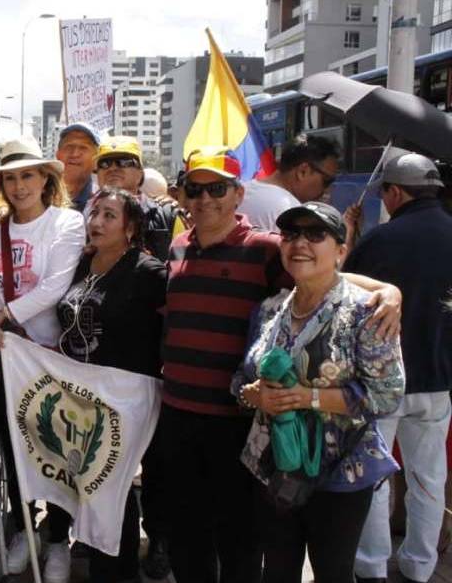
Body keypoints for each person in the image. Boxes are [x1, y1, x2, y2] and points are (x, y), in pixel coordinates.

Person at [159, 146, 401, 583]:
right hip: (185, 417)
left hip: (243, 429)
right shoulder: (178, 248)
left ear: (237, 195)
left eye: (217, 188)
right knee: (188, 533)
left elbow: (327, 276)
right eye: (195, 189)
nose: (204, 199)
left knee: (241, 543)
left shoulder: (267, 249)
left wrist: (387, 290)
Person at [234, 202, 404, 582]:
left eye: (315, 234)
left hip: (339, 471)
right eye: (291, 234)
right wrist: (253, 395)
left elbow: (386, 394)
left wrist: (306, 398)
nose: (300, 243)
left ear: (341, 251)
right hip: (272, 465)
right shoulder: (269, 310)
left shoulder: (367, 311)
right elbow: (241, 379)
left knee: (332, 572)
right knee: (277, 570)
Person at [0, 135, 85, 583]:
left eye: (27, 176)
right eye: (11, 178)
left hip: (52, 355)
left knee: (57, 450)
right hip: (6, 356)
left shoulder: (66, 223)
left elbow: (55, 285)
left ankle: (57, 538)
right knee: (14, 448)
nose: (19, 186)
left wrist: (3, 315)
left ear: (45, 179)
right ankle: (21, 526)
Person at [350, 153, 452, 583]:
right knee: (429, 479)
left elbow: (345, 295)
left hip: (382, 383)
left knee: (375, 479)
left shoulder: (381, 241)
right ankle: (419, 566)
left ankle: (371, 566)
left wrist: (351, 236)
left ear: (394, 192)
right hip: (439, 379)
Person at [56, 187, 166, 583]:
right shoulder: (81, 264)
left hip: (126, 399)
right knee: (93, 486)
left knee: (112, 489)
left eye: (109, 215)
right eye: (94, 213)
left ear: (131, 227)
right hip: (80, 399)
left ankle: (116, 574)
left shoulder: (147, 272)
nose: (97, 222)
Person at [94, 135, 181, 262]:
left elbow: (182, 267)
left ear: (140, 173)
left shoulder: (168, 215)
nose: (112, 168)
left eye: (123, 162)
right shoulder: (82, 216)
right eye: (104, 163)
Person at [240, 134, 341, 232]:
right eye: (327, 181)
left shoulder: (240, 192)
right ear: (303, 171)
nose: (328, 190)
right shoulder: (292, 213)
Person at [55, 123, 101, 214]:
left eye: (83, 148)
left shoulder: (101, 201)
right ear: (57, 154)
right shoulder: (40, 195)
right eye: (69, 147)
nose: (75, 154)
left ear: (96, 159)